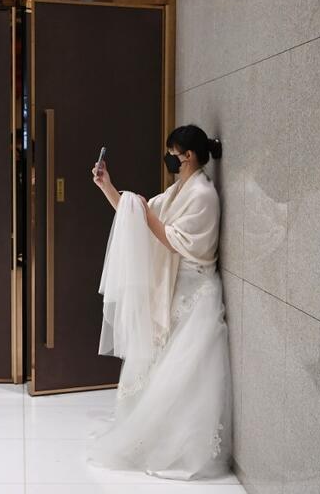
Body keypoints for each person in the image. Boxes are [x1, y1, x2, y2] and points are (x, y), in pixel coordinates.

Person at [86, 124, 233, 480]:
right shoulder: (180, 189)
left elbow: (170, 237)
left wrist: (141, 208)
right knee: (159, 372)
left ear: (189, 155)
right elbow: (135, 213)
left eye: (173, 151)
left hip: (195, 295)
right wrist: (108, 186)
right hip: (175, 293)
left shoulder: (203, 195)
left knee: (184, 376)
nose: (169, 158)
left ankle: (180, 446)